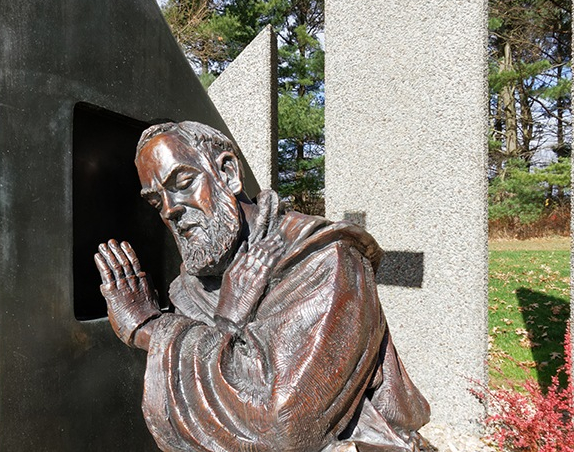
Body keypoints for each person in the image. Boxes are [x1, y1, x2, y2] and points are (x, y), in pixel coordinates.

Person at [95, 121, 430, 452]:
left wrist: (149, 329)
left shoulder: (326, 259)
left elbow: (284, 422)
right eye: (157, 202)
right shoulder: (189, 289)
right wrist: (227, 319)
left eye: (183, 183)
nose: (171, 210)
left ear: (228, 173)